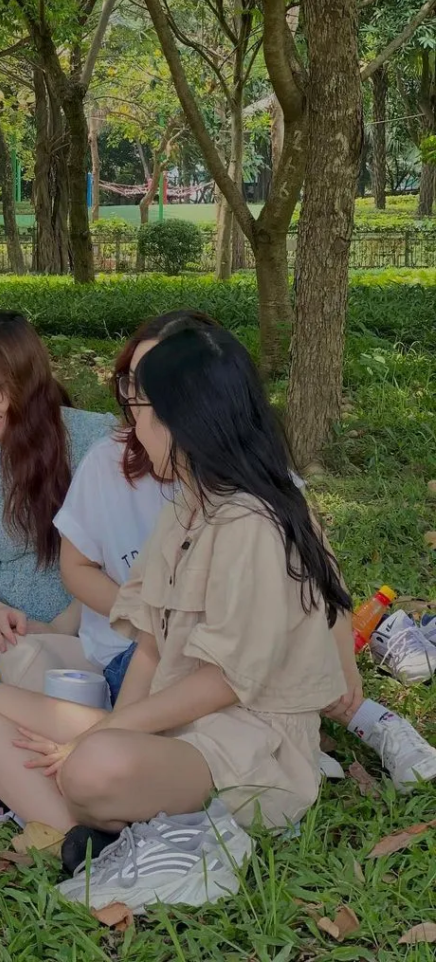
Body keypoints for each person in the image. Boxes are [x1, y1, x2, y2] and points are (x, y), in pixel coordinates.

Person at [0, 322, 354, 912]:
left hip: (246, 747)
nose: (132, 425)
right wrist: (115, 724)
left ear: (182, 419)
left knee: (95, 766)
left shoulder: (253, 525)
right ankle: (96, 842)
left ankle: (122, 827)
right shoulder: (189, 508)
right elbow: (147, 645)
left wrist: (107, 737)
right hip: (166, 729)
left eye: (141, 408)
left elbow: (224, 681)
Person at [57, 310, 436, 795]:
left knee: (286, 648)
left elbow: (318, 576)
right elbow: (132, 624)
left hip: (236, 688)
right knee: (1, 713)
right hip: (156, 657)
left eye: (148, 390)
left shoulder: (249, 508)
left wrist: (342, 662)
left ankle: (365, 723)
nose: (134, 404)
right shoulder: (137, 480)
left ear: (195, 403)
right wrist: (168, 622)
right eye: (132, 384)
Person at [0, 310, 115, 690]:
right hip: (0, 638)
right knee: (19, 664)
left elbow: (119, 559)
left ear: (27, 377)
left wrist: (59, 628)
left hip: (92, 629)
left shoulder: (96, 441)